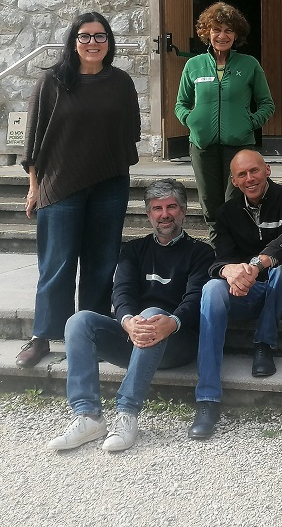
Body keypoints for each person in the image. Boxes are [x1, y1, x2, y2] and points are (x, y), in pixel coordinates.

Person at [46, 180, 214, 452]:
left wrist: (172, 322)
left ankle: (127, 413)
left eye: (171, 207)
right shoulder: (134, 250)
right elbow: (121, 292)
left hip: (177, 342)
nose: (165, 214)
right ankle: (88, 416)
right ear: (148, 214)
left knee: (152, 314)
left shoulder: (201, 252)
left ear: (183, 211)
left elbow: (195, 299)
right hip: (135, 337)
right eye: (157, 208)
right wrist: (127, 321)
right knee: (79, 321)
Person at [17, 11, 140, 369]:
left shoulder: (120, 82)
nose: (92, 42)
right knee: (56, 265)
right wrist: (33, 187)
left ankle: (90, 335)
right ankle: (42, 336)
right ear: (73, 42)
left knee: (101, 264)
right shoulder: (52, 81)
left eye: (100, 36)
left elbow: (129, 132)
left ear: (109, 42)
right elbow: (34, 139)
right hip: (60, 185)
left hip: (109, 184)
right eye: (85, 36)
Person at [188, 150, 282, 440]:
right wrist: (230, 272)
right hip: (251, 293)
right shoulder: (226, 212)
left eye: (254, 171)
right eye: (242, 175)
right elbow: (220, 259)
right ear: (234, 181)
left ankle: (263, 343)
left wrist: (260, 262)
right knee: (212, 288)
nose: (249, 178)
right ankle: (207, 398)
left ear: (267, 169)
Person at [175, 1, 275, 236]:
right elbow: (181, 104)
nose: (222, 36)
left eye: (228, 30)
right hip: (202, 147)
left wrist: (249, 123)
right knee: (210, 206)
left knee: (235, 203)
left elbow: (267, 104)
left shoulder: (249, 65)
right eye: (216, 29)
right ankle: (218, 253)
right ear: (207, 33)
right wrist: (191, 121)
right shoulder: (193, 65)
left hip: (239, 147)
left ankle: (238, 251)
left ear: (236, 34)